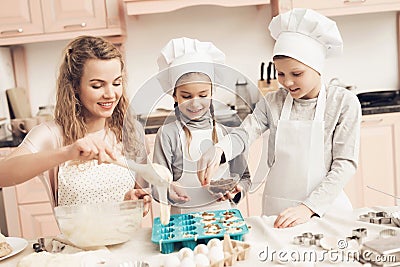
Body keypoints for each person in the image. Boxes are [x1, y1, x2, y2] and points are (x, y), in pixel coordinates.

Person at [197, 9, 361, 228]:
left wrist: (308, 208)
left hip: (325, 211)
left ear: (317, 67)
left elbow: (344, 164)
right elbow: (247, 131)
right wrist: (219, 149)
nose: (287, 82)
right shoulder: (273, 101)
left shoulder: (343, 103)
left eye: (297, 74)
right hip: (279, 211)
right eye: (280, 74)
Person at [0, 36, 151, 214]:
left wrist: (134, 203)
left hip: (127, 240)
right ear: (74, 86)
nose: (111, 94)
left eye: (116, 83)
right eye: (97, 86)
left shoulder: (130, 131)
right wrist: (67, 152)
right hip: (76, 243)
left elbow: (138, 201)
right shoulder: (51, 134)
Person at [154, 37, 251, 214]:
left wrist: (236, 191)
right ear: (174, 95)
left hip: (224, 216)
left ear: (212, 92)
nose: (195, 103)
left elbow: (244, 177)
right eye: (186, 96)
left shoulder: (226, 133)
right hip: (183, 220)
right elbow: (155, 184)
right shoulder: (167, 134)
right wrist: (167, 190)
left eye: (203, 95)